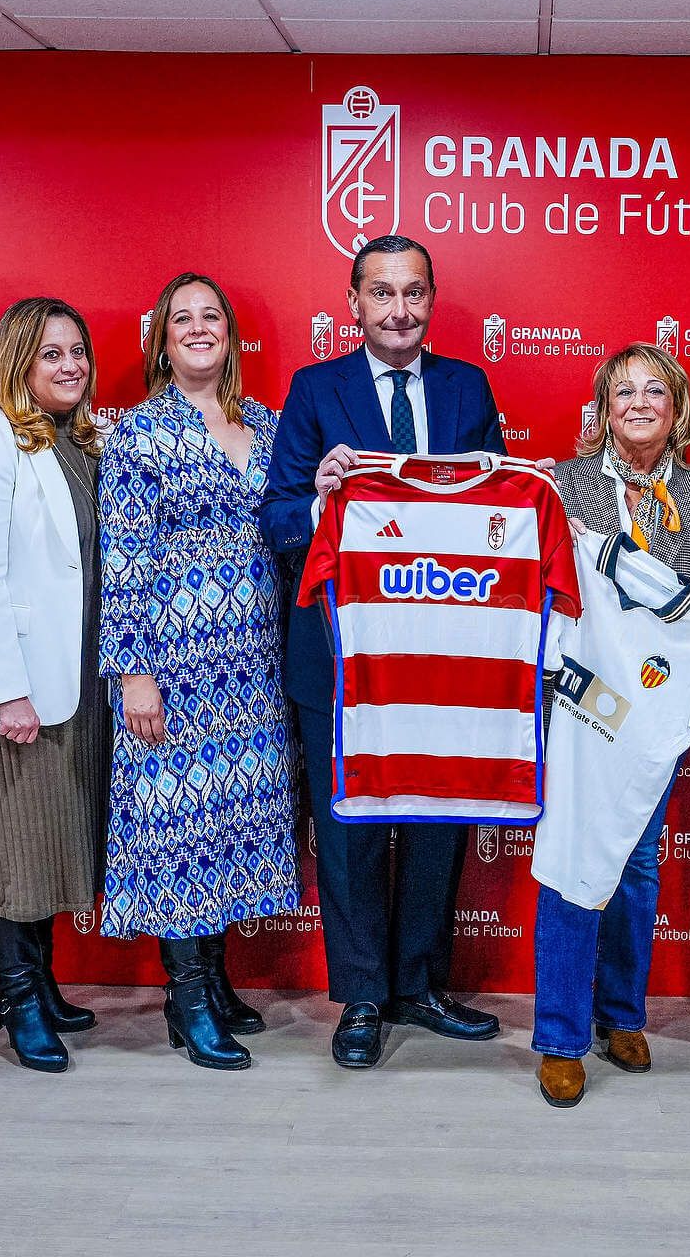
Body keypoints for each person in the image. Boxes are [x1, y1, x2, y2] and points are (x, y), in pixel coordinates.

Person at [258, 235, 506, 1069]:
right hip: (341, 655)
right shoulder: (314, 390)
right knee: (353, 825)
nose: (399, 310)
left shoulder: (467, 387)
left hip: (442, 653)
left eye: (414, 293)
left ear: (432, 299)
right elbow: (278, 518)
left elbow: (498, 513)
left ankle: (420, 986)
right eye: (382, 294)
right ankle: (362, 997)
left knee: (438, 820)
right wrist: (323, 497)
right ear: (354, 302)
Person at [534, 342, 690, 1108]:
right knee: (573, 857)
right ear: (602, 410)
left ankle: (621, 1014)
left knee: (636, 866)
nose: (638, 404)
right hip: (576, 705)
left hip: (650, 716)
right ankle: (560, 1036)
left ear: (677, 411)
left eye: (655, 393)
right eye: (623, 393)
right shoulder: (561, 487)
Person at [99, 272, 300, 1071]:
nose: (197, 328)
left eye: (210, 315)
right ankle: (185, 998)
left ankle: (213, 982)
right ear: (161, 338)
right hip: (173, 662)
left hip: (252, 662)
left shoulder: (270, 423)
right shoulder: (139, 432)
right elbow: (122, 560)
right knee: (176, 827)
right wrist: (133, 672)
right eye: (181, 318)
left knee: (223, 826)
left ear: (230, 332)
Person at [0, 298, 112, 1073]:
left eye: (77, 350)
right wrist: (6, 689)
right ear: (16, 360)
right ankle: (16, 999)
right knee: (13, 844)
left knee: (49, 839)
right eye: (50, 354)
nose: (70, 364)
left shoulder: (85, 442)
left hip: (75, 677)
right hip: (14, 684)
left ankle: (41, 985)